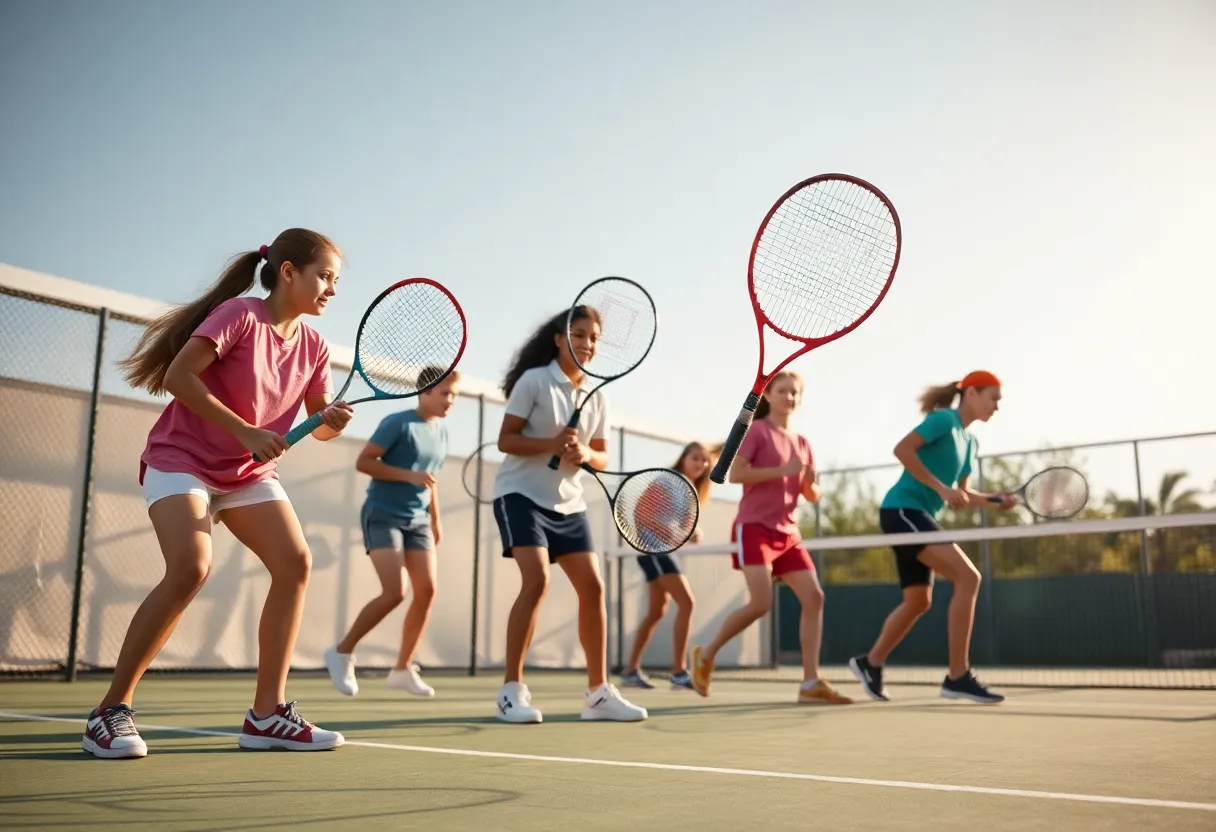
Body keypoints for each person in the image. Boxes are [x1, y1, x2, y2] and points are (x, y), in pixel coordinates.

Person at [84, 229, 352, 759]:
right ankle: (109, 712)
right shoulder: (239, 316)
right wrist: (249, 432)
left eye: (337, 282)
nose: (332, 290)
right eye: (325, 277)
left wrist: (331, 423)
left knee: (295, 563)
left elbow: (317, 421)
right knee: (191, 567)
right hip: (181, 459)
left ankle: (267, 716)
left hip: (248, 474)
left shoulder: (316, 346)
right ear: (289, 272)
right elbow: (180, 378)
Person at [491, 305, 647, 723]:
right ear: (559, 339)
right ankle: (512, 691)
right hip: (520, 495)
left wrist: (585, 454)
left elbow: (601, 457)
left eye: (594, 338)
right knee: (537, 579)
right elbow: (506, 440)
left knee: (593, 589)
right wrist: (550, 443)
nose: (587, 344)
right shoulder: (534, 381)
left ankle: (598, 693)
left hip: (569, 504)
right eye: (579, 335)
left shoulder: (599, 397)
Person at [848, 371, 1016, 705]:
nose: (997, 406)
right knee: (968, 577)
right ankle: (957, 676)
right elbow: (902, 450)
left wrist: (997, 500)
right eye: (993, 397)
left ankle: (871, 662)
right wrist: (941, 488)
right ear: (970, 394)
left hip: (917, 516)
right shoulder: (943, 421)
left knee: (918, 601)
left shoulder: (971, 443)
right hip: (902, 512)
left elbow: (963, 495)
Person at [690, 371, 852, 705]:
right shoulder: (758, 432)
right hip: (754, 528)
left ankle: (810, 683)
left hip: (789, 533)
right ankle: (706, 653)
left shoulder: (803, 443)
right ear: (768, 396)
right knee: (761, 603)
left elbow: (813, 494)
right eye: (782, 391)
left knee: (814, 598)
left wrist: (807, 482)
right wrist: (783, 471)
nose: (789, 397)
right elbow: (735, 474)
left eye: (794, 393)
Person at [324, 365, 460, 698]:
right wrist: (407, 475)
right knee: (395, 592)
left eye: (454, 394)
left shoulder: (442, 432)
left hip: (418, 522)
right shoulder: (397, 423)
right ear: (425, 392)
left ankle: (402, 668)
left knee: (426, 591)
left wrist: (435, 519)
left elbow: (432, 480)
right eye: (445, 393)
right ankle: (341, 652)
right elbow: (365, 462)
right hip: (382, 515)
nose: (451, 400)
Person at [620, 441, 717, 691]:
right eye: (695, 458)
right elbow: (642, 515)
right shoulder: (667, 480)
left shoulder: (692, 491)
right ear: (683, 458)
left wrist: (690, 534)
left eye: (704, 460)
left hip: (664, 550)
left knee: (656, 611)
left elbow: (680, 527)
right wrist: (673, 533)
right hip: (654, 550)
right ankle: (678, 672)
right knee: (687, 602)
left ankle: (630, 671)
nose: (701, 464)